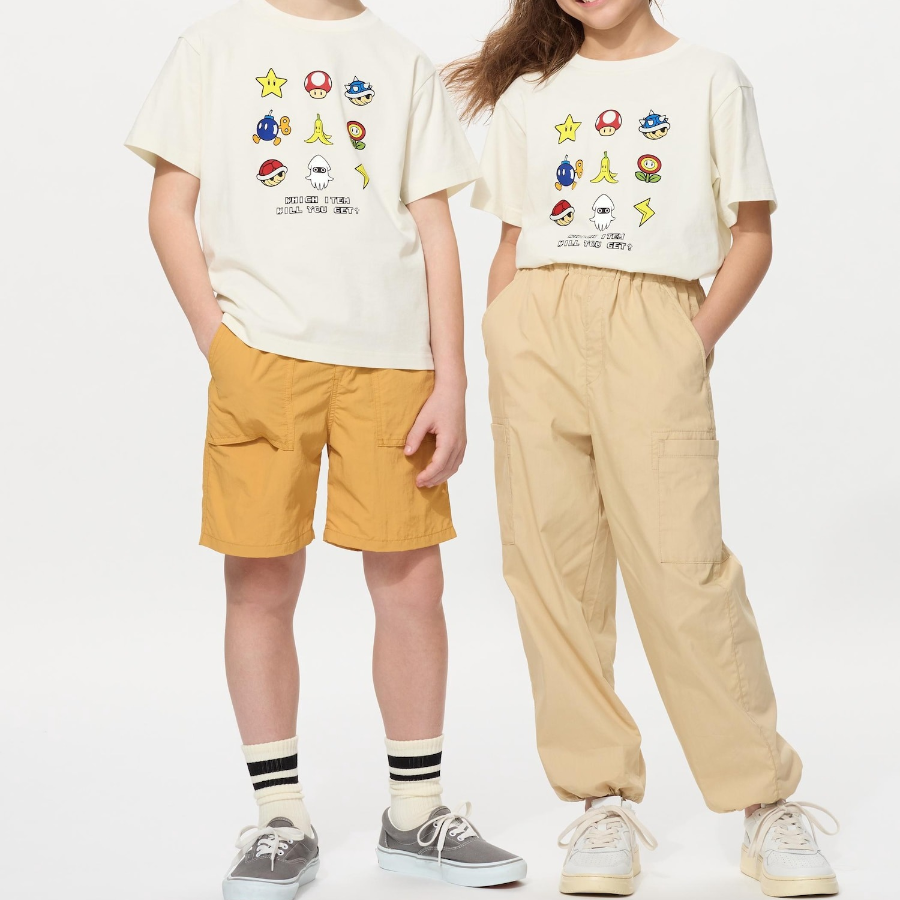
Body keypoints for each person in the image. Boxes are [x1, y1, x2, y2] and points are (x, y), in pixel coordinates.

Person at [125, 0, 527, 895]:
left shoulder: (399, 59)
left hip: (392, 362)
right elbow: (169, 208)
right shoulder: (213, 45)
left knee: (412, 581)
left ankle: (415, 813)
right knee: (260, 577)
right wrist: (220, 345)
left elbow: (434, 228)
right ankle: (280, 818)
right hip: (261, 357)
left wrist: (452, 378)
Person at [447, 0, 839, 896]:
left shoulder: (709, 77)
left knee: (683, 569)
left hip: (652, 321)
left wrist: (689, 341)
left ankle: (764, 801)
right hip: (535, 327)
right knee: (552, 571)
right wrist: (501, 339)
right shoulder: (532, 95)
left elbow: (752, 234)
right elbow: (511, 240)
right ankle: (599, 804)